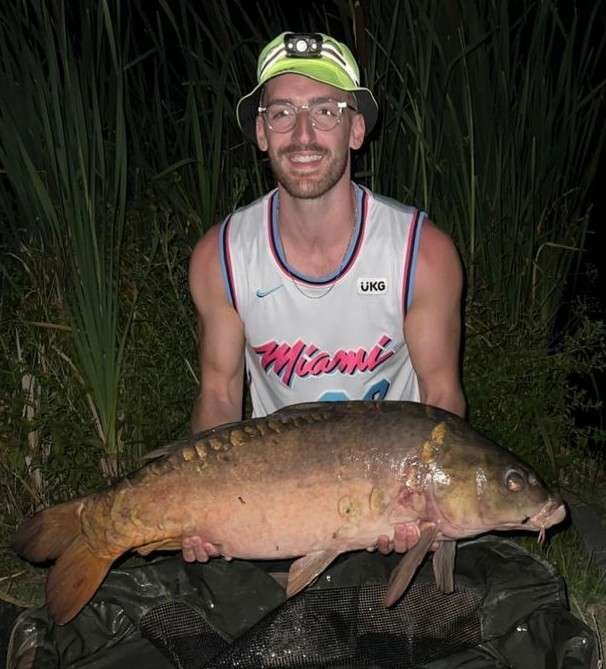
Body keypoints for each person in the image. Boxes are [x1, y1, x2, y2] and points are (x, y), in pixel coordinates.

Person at [183, 32, 465, 563]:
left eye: (325, 111)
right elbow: (219, 394)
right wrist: (207, 497)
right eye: (282, 113)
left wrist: (423, 507)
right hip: (274, 496)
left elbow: (442, 396)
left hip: (389, 488)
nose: (303, 135)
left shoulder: (421, 252)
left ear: (356, 129)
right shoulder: (220, 257)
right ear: (261, 133)